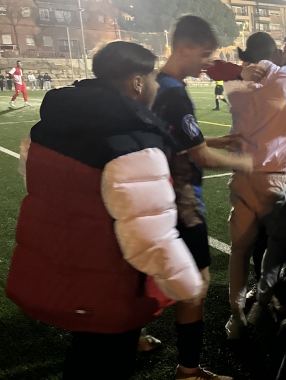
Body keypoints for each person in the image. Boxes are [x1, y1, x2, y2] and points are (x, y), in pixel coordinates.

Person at [6, 41, 204, 380]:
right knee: (106, 363)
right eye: (153, 77)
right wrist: (190, 288)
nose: (157, 85)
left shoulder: (53, 125)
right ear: (137, 82)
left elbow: (46, 191)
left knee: (83, 359)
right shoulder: (133, 141)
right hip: (107, 285)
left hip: (64, 272)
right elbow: (150, 238)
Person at [151, 16, 254, 380]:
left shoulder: (154, 85)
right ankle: (189, 372)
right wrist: (246, 161)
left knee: (146, 274)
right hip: (183, 203)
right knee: (196, 285)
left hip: (156, 199)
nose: (208, 63)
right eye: (205, 54)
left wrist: (216, 140)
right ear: (184, 47)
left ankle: (133, 335)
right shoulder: (175, 93)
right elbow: (201, 158)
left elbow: (174, 141)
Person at [208, 32, 286, 337]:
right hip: (276, 177)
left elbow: (211, 67)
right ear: (276, 53)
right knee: (277, 245)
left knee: (239, 250)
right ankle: (261, 302)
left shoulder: (235, 84)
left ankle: (236, 318)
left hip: (243, 176)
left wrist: (237, 68)